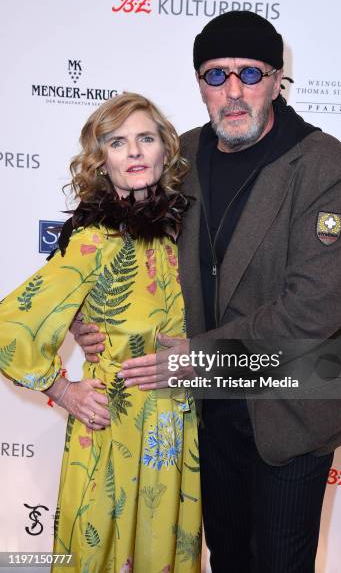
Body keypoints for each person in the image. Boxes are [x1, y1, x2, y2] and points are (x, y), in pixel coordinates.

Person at [75, 12, 341, 572]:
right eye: (216, 75)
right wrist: (81, 312)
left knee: (279, 562)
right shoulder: (178, 157)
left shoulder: (324, 166)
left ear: (277, 78)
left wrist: (200, 357)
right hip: (206, 412)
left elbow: (313, 310)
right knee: (228, 557)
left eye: (249, 73)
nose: (233, 92)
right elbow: (110, 238)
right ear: (199, 84)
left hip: (289, 408)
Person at [0, 92, 201, 572]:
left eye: (145, 138)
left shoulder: (189, 231)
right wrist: (62, 390)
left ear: (165, 151)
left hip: (176, 427)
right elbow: (11, 324)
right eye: (118, 142)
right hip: (113, 428)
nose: (133, 152)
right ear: (102, 161)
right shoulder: (92, 239)